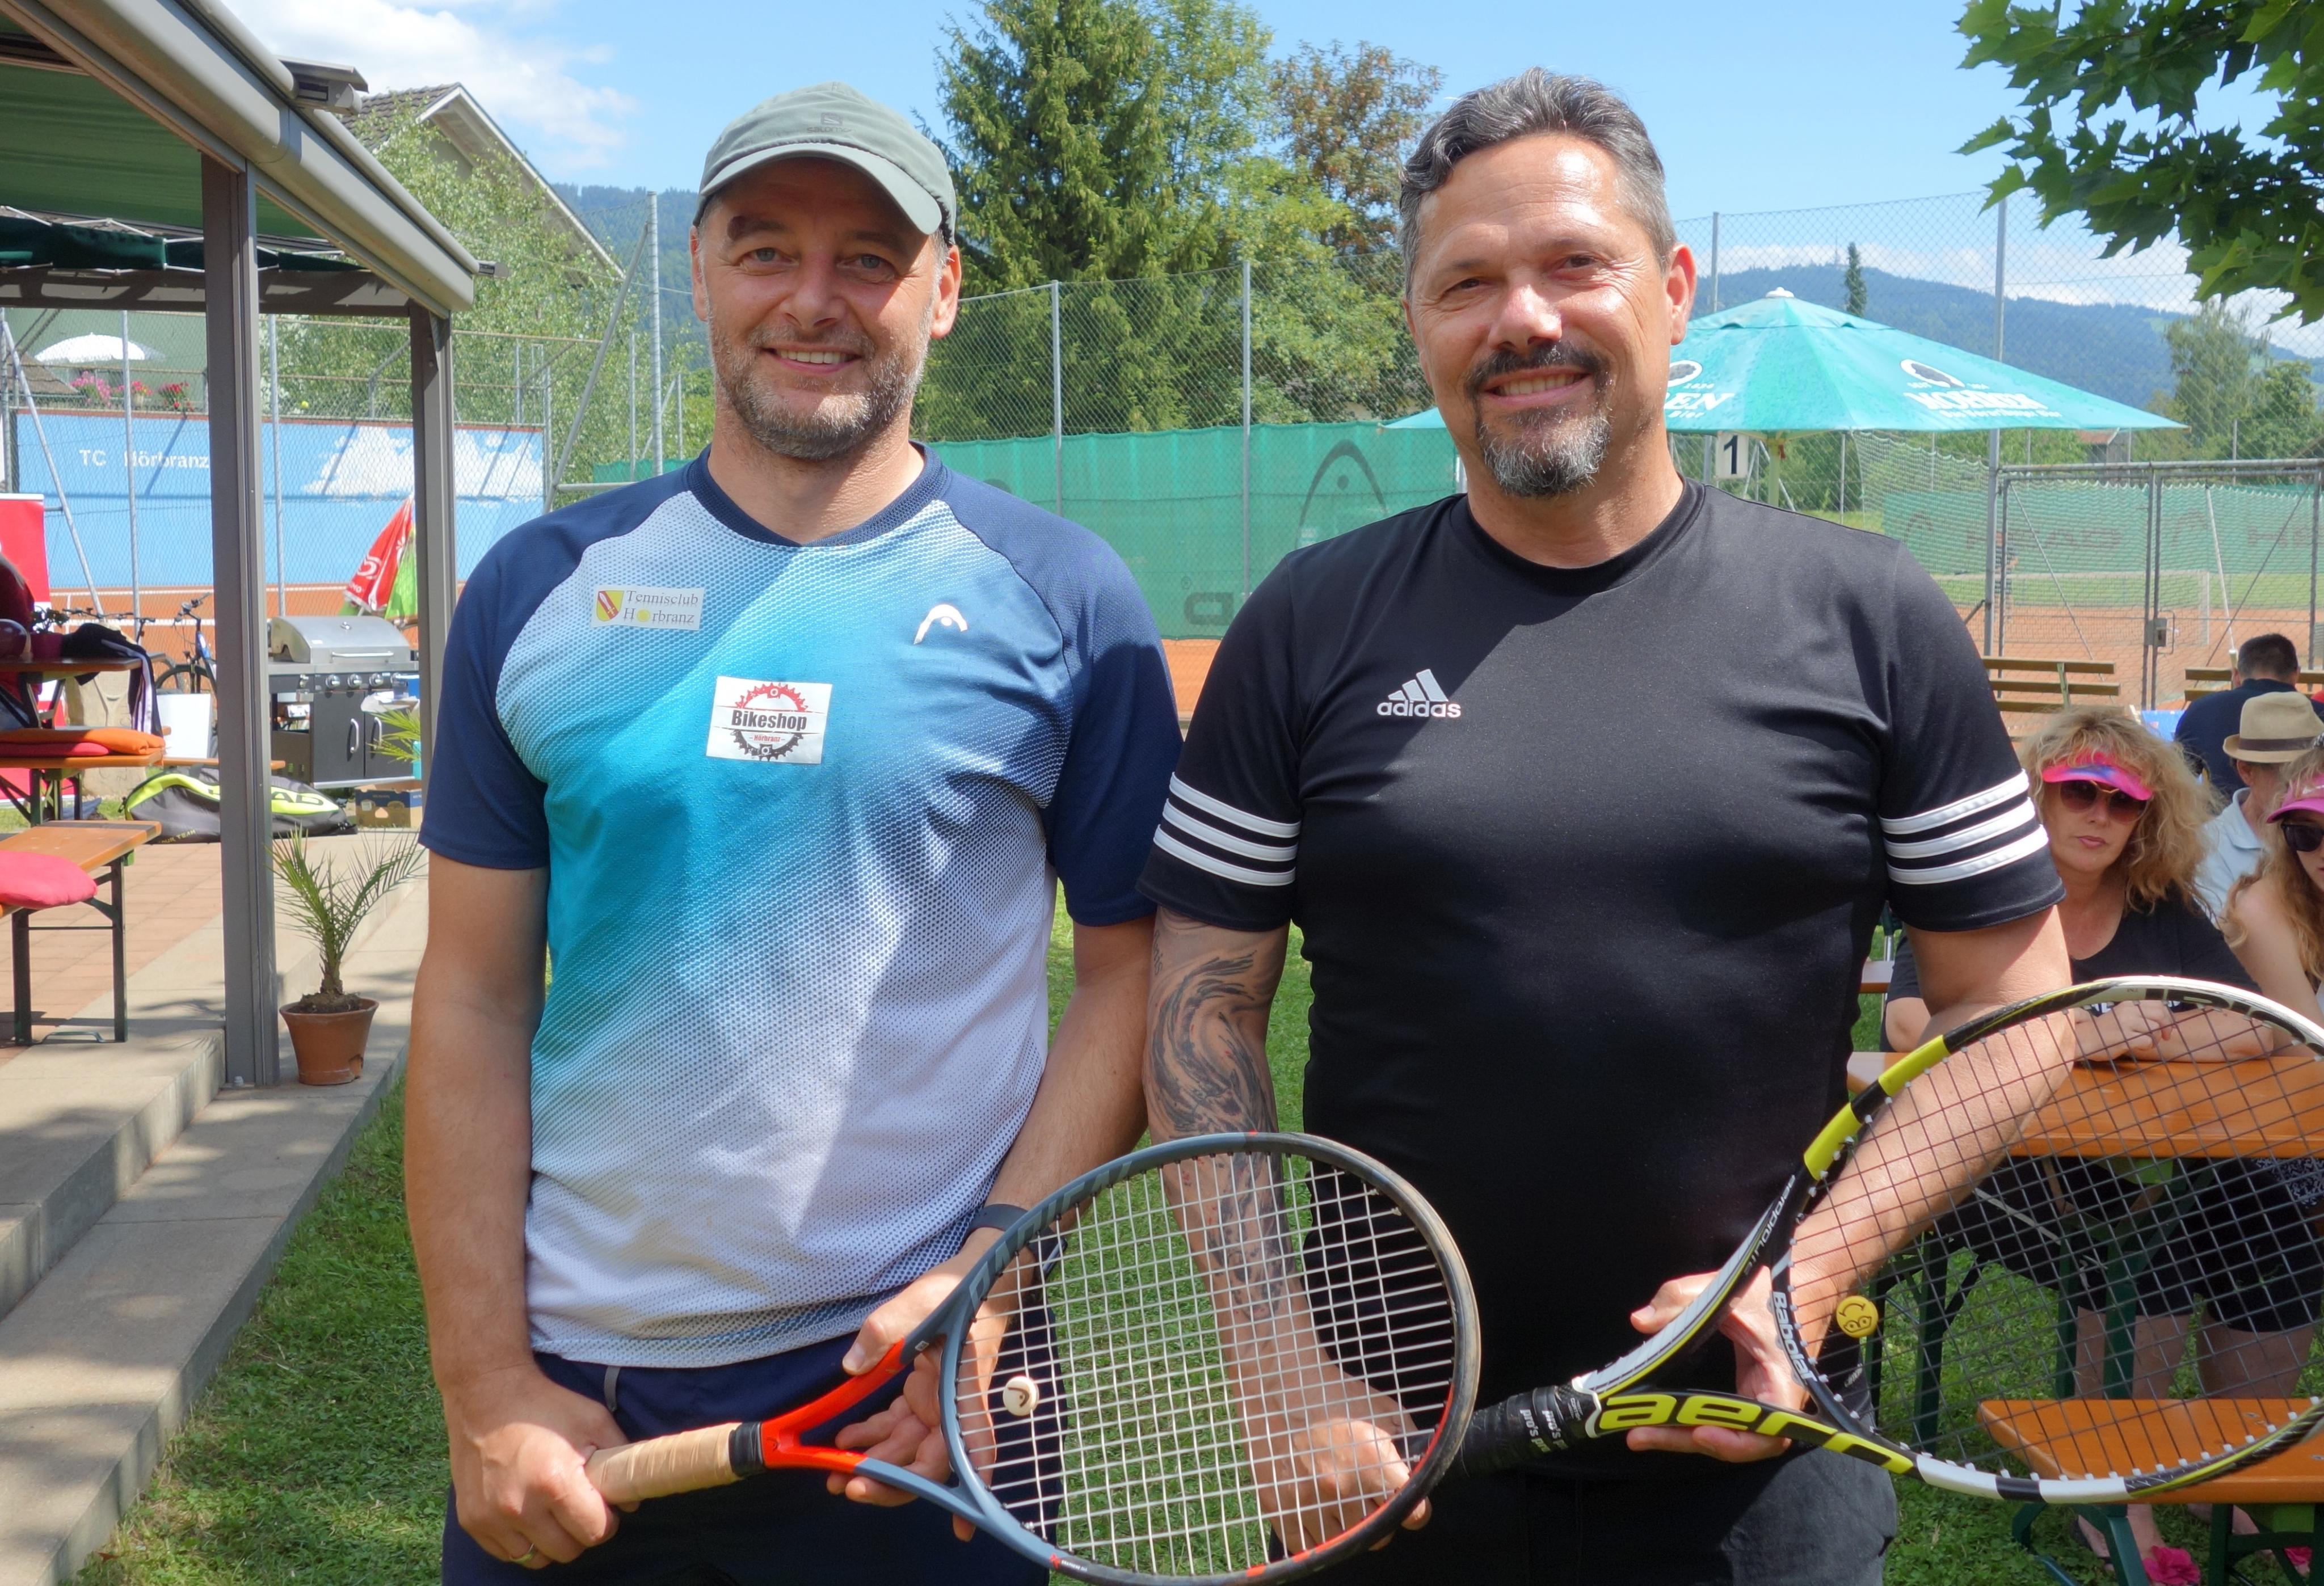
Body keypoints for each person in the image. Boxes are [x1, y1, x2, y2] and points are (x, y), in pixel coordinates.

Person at [1137, 69, 2073, 1586]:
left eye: (1576, 264)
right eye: (1467, 283)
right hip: (1385, 1454)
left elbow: (2020, 1010)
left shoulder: (1871, 614)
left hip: (1750, 1457)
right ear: (1418, 323)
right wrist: (1275, 1361)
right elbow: (1203, 1008)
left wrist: (1807, 1281)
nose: (1525, 319)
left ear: (1674, 288)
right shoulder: (1307, 623)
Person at [405, 82, 1181, 1584]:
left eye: (869, 258)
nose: (813, 299)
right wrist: (485, 1380)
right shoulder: (537, 588)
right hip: (577, 1400)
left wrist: (987, 1277)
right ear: (699, 271)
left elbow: (1131, 973)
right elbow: (473, 994)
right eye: (766, 250)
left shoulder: (1065, 598)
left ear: (942, 292)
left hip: (927, 1394)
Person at [1887, 708, 2304, 1584]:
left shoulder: (2158, 907)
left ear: (2147, 816)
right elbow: (1909, 1022)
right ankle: (2114, 1491)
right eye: (2079, 791)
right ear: (2036, 796)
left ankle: (2232, 1467)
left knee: (2274, 1231)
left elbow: (2257, 1025)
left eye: (2123, 802)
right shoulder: (1986, 898)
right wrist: (2082, 1032)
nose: (2100, 815)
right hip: (1992, 1166)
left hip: (2142, 1160)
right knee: (2148, 1256)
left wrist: (2148, 1034)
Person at [2192, 690, 2321, 917]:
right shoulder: (2209, 847)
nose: (2302, 788)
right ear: (2247, 771)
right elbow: (2228, 935)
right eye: (2288, 774)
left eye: (2315, 773)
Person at [2176, 632, 2305, 794]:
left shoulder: (2201, 710)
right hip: (2305, 809)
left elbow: (2177, 780)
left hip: (2222, 809)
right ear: (2296, 674)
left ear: (2236, 675)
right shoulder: (2317, 714)